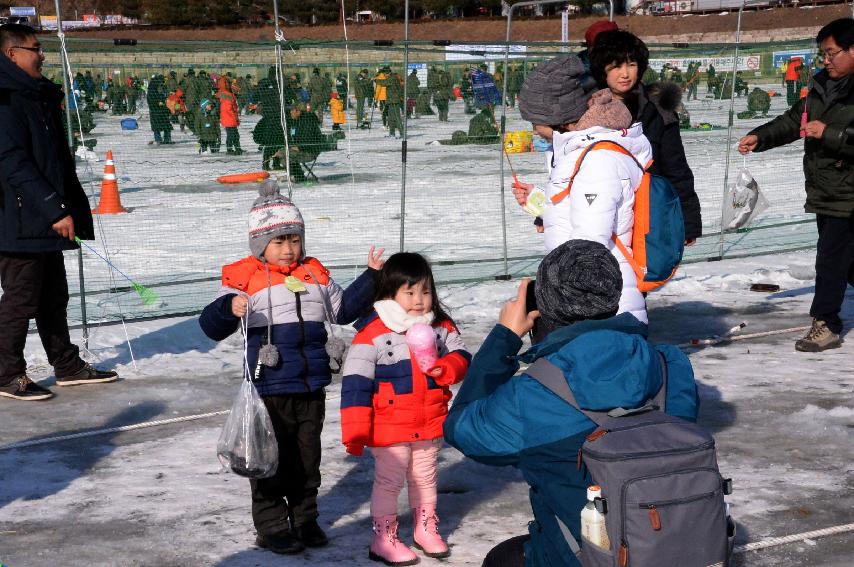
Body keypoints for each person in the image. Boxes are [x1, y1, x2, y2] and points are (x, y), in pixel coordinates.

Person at [444, 239, 699, 567]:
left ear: (544, 305)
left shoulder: (534, 395)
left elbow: (460, 427)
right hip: (671, 545)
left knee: (503, 560)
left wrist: (504, 338)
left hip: (585, 557)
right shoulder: (671, 365)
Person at [199, 182, 384, 554]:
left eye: (294, 240)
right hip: (268, 389)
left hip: (311, 384)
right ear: (259, 245)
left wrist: (372, 277)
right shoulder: (244, 278)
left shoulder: (314, 273)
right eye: (279, 242)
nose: (288, 250)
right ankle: (270, 525)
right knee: (269, 458)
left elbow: (342, 311)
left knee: (306, 458)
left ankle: (304, 518)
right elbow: (210, 327)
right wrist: (228, 308)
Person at [0, 24, 118, 401]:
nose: (42, 54)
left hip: (45, 214)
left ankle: (66, 364)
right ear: (11, 54)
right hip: (19, 217)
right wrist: (53, 208)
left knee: (54, 295)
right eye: (35, 48)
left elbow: (53, 160)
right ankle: (6, 373)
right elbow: (12, 162)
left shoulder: (36, 94)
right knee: (21, 299)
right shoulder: (5, 98)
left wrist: (66, 206)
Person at [340, 252, 470, 565]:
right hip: (389, 427)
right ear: (390, 294)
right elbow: (355, 384)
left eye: (425, 291)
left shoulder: (439, 328)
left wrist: (446, 368)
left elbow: (463, 355)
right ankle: (383, 537)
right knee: (389, 481)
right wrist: (356, 431)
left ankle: (425, 527)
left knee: (425, 477)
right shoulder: (372, 332)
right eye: (409, 292)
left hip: (428, 420)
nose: (418, 300)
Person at [738, 18, 854, 352]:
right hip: (827, 189)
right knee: (847, 262)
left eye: (831, 53)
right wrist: (760, 136)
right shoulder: (821, 85)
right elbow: (794, 121)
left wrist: (830, 134)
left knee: (831, 261)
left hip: (847, 193)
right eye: (823, 54)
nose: (826, 60)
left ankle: (826, 323)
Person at [513, 55, 651, 324]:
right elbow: (587, 212)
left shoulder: (597, 160)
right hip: (592, 300)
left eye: (535, 122)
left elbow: (588, 252)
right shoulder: (585, 152)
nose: (534, 131)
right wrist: (541, 203)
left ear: (560, 118)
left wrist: (567, 313)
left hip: (601, 307)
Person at [590, 29, 703, 244]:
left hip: (648, 216)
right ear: (602, 69)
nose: (625, 74)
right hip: (599, 217)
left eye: (631, 65)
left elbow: (677, 169)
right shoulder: (588, 110)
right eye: (616, 66)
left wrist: (687, 223)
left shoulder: (658, 110)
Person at [216, 76, 243, 155]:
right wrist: (235, 118)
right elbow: (228, 110)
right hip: (229, 119)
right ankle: (230, 149)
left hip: (230, 119)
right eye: (237, 91)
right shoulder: (228, 96)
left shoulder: (229, 95)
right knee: (231, 135)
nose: (238, 93)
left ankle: (236, 148)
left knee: (235, 135)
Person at [147, 74, 172, 145]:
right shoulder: (154, 89)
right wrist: (159, 102)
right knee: (162, 126)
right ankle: (161, 139)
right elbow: (152, 99)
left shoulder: (154, 88)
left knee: (161, 126)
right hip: (157, 110)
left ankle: (162, 139)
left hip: (157, 110)